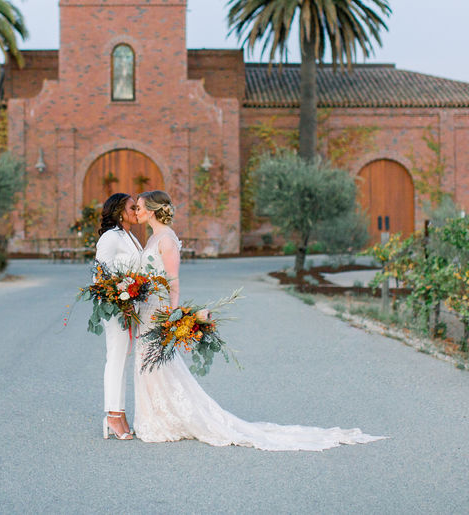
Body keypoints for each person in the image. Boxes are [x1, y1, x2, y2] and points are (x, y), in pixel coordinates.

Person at [132, 190, 386, 451]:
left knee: (157, 362)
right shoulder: (153, 237)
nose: (136, 212)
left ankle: (166, 420)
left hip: (160, 311)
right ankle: (155, 418)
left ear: (151, 210)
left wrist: (174, 316)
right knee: (149, 363)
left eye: (139, 207)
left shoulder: (167, 240)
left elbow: (173, 281)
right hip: (147, 310)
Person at [94, 192, 143, 440]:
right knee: (115, 358)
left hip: (130, 305)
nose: (137, 211)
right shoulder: (110, 238)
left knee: (123, 358)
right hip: (116, 308)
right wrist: (119, 298)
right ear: (119, 211)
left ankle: (120, 413)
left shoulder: (130, 236)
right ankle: (112, 415)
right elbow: (99, 275)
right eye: (133, 207)